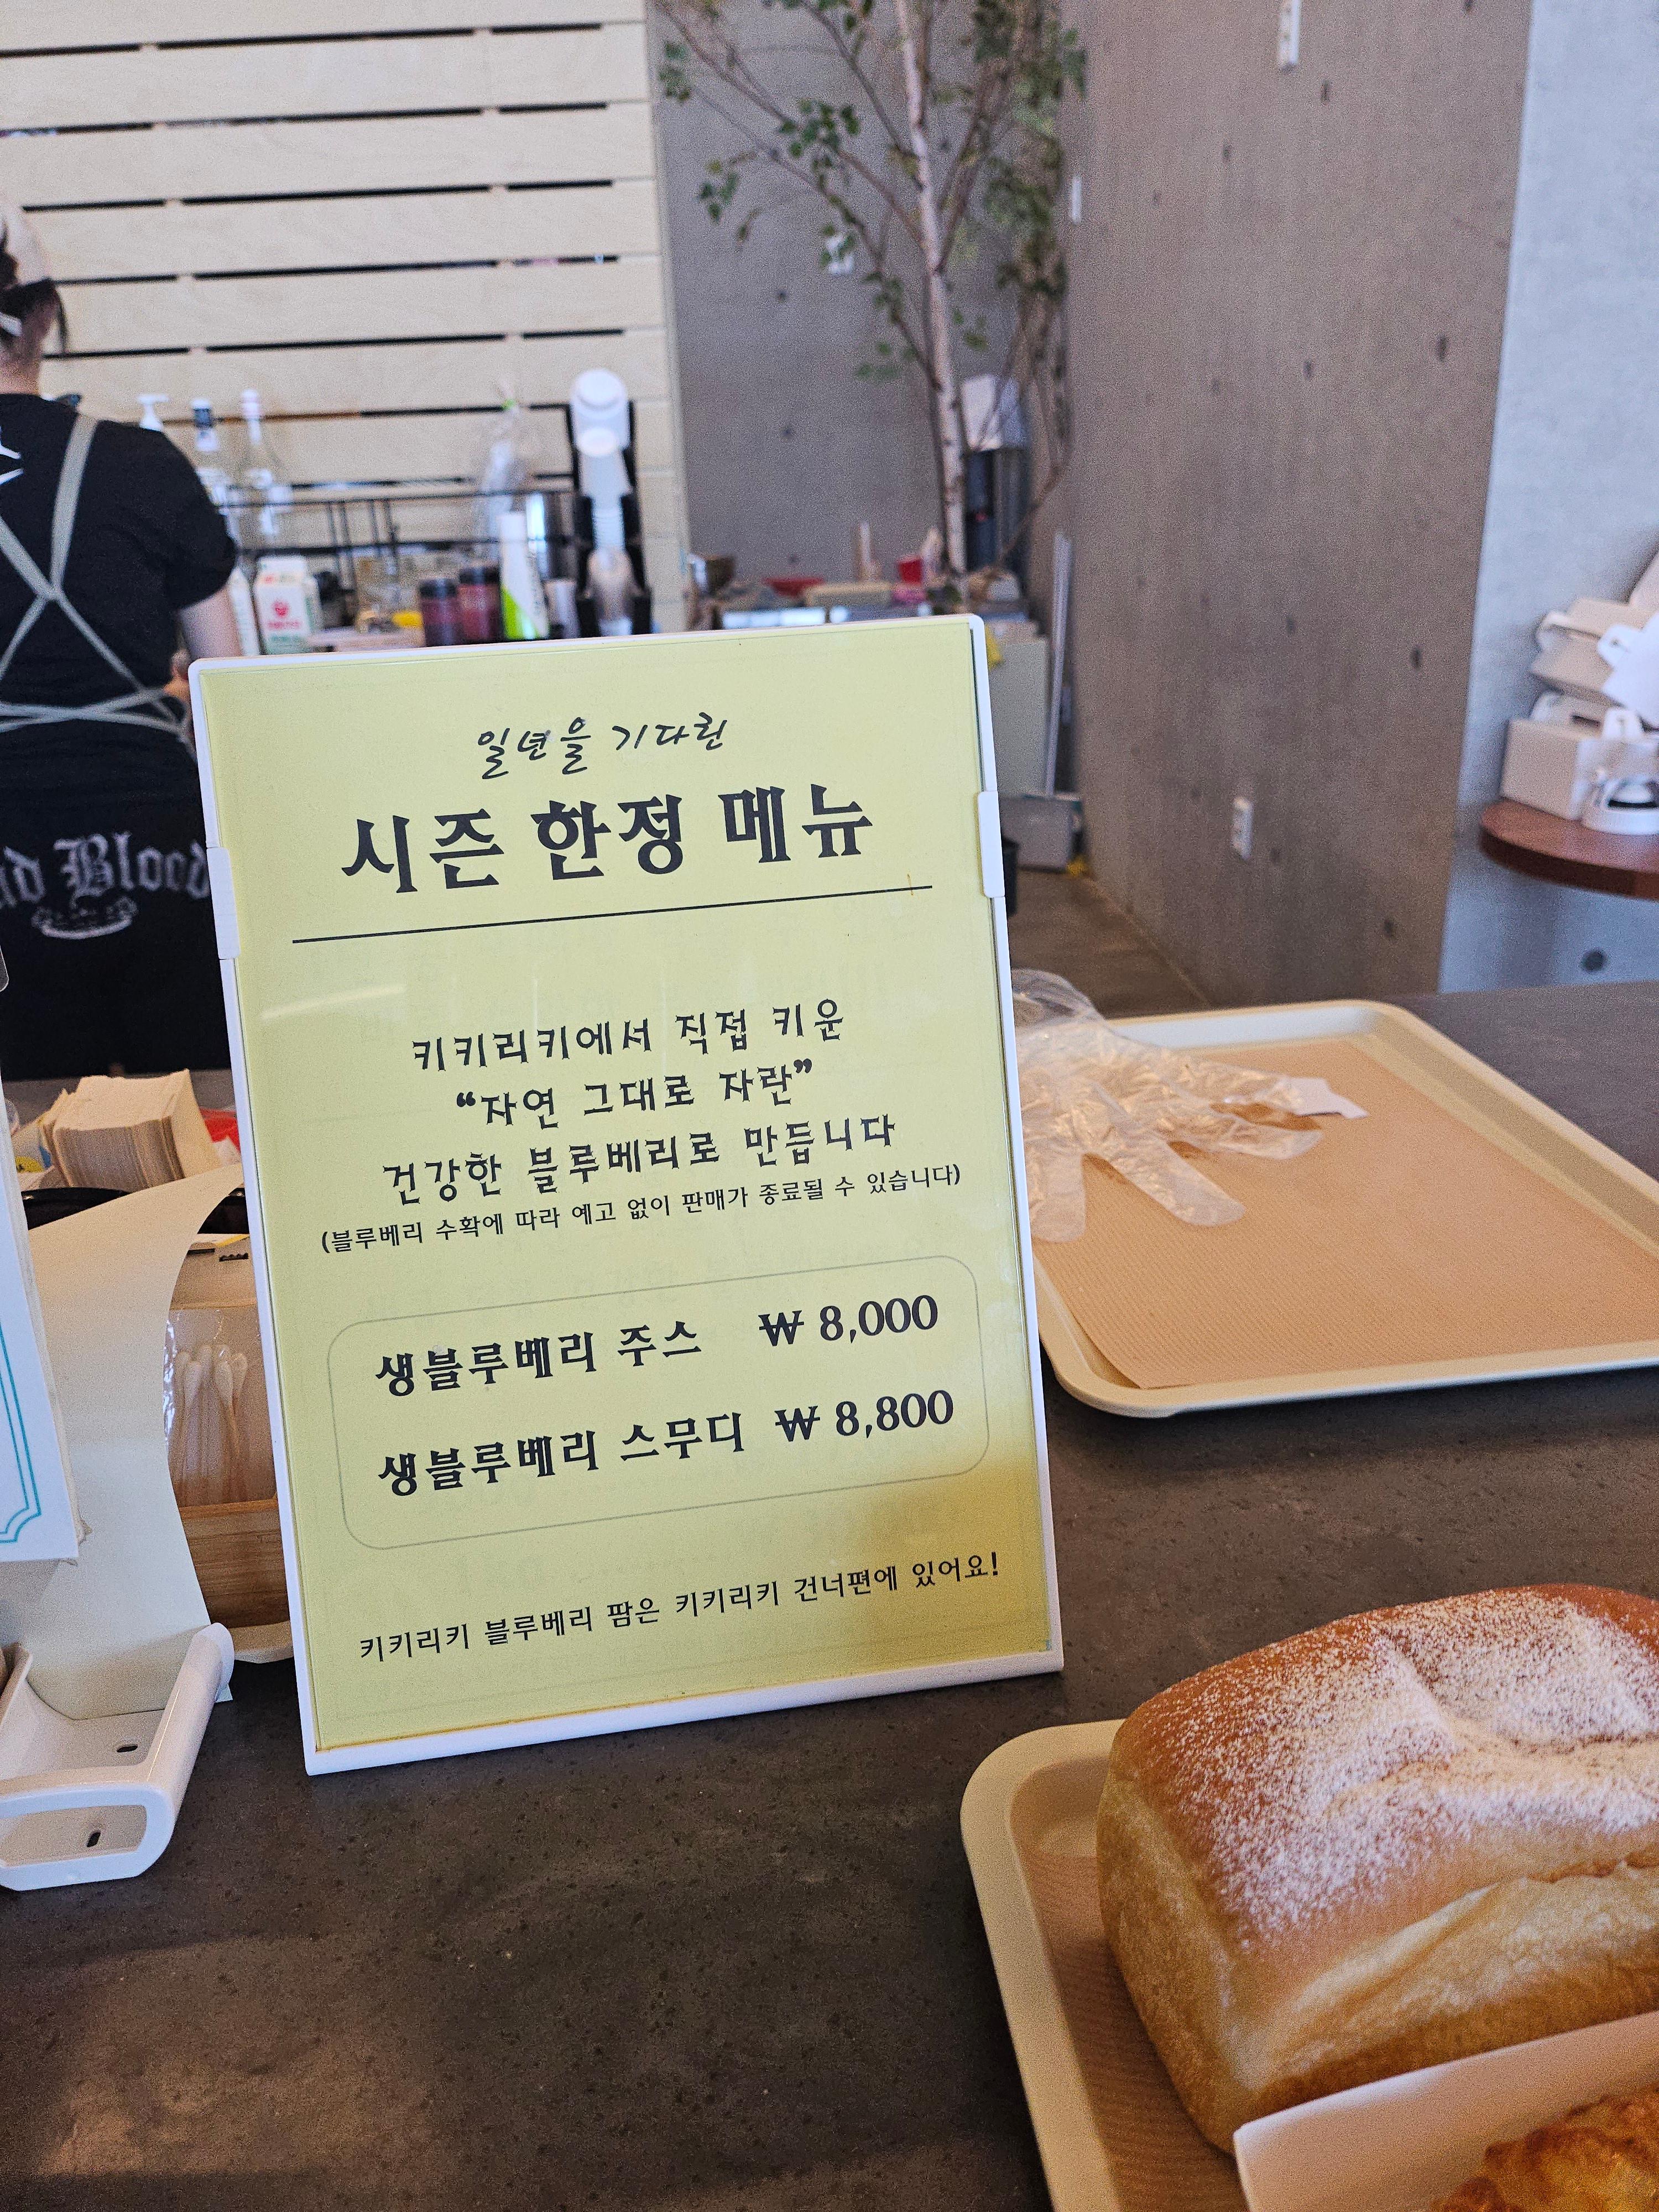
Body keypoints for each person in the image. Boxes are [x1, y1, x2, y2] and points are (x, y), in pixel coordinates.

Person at [0, 207, 243, 1079]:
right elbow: (229, 690)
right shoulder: (144, 463)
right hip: (161, 838)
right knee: (191, 1118)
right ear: (46, 315)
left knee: (26, 1129)